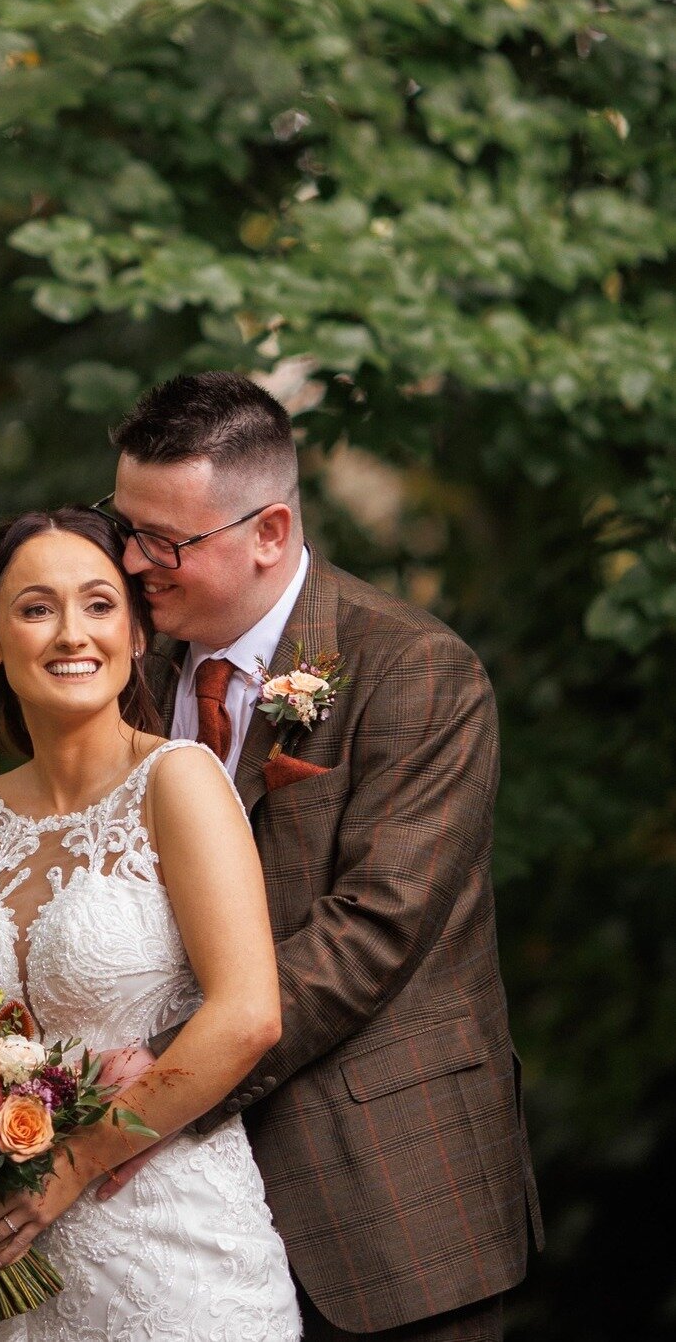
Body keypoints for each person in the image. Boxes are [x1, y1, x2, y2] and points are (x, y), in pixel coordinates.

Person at [90, 371, 543, 1340]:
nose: (131, 561)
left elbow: (371, 929)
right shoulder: (126, 670)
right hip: (167, 1224)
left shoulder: (415, 670)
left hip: (381, 1193)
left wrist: (161, 1083)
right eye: (122, 525)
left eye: (166, 541)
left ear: (269, 533)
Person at [0, 506, 303, 1340]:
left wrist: (73, 1164)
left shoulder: (178, 784)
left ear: (138, 634)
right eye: (37, 608)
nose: (72, 633)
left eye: (101, 604)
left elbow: (248, 1015)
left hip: (158, 1248)